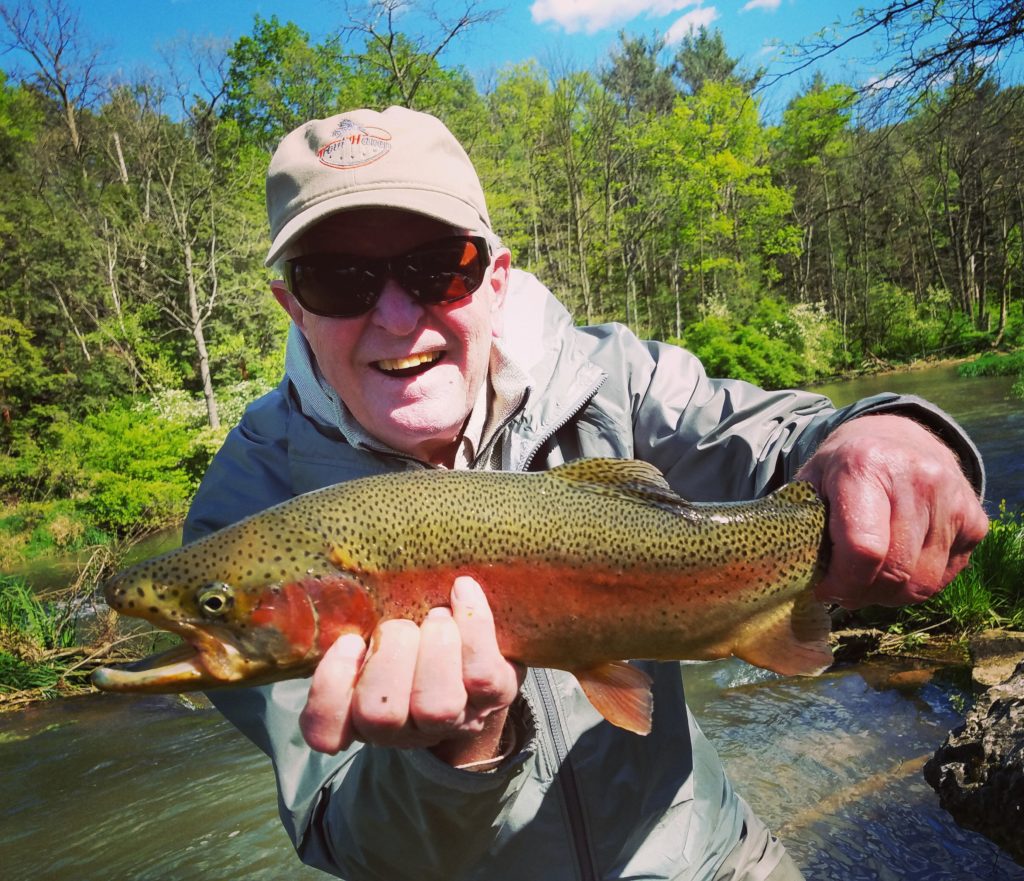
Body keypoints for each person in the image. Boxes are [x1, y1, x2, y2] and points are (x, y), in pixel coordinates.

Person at [184, 106, 989, 881]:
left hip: (712, 857)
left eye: (439, 268)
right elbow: (351, 841)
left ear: (495, 278)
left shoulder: (612, 380)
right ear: (292, 303)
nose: (397, 315)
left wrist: (890, 436)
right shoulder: (246, 522)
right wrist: (449, 760)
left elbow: (786, 442)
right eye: (338, 279)